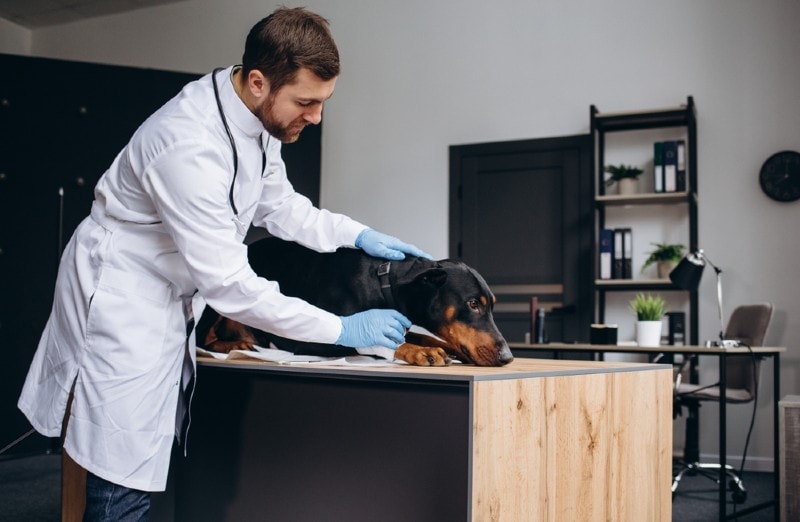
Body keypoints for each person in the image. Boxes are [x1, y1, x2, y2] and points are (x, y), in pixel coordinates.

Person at [18, 7, 428, 521]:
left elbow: (279, 206)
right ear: (259, 82)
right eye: (306, 102)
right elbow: (231, 284)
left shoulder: (254, 121)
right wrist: (341, 328)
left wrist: (356, 235)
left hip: (168, 292)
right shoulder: (187, 144)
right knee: (120, 464)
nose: (316, 116)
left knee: (138, 454)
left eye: (323, 102)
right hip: (123, 298)